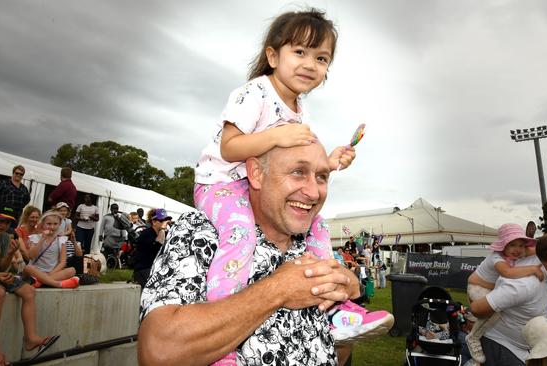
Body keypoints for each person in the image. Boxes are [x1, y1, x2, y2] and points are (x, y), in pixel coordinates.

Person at [192, 8, 390, 361]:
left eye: (321, 58)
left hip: (257, 188)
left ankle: (332, 309)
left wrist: (329, 162)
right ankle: (221, 336)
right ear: (273, 55)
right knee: (240, 236)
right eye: (299, 52)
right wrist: (277, 135)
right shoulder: (253, 93)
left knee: (319, 228)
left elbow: (297, 160)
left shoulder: (301, 111)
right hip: (221, 185)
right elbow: (230, 146)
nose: (310, 64)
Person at [139, 141, 365, 366]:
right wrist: (278, 290)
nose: (314, 192)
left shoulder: (313, 244)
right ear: (256, 173)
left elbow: (334, 353)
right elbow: (157, 353)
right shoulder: (201, 231)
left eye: (321, 177)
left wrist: (346, 305)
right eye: (298, 172)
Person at [470, 231, 547, 365]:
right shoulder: (525, 285)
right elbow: (476, 308)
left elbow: (538, 246)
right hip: (501, 347)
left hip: (525, 350)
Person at [0, 204, 59, 366]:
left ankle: (30, 337)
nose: (4, 226)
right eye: (0, 221)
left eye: (8, 223)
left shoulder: (3, 237)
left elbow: (2, 267)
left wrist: (9, 254)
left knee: (29, 291)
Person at [465, 223, 544, 364]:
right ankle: (473, 337)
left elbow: (537, 250)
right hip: (477, 287)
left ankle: (478, 332)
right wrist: (533, 269)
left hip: (488, 287)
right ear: (503, 246)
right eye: (512, 245)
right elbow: (507, 273)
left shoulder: (515, 253)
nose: (518, 250)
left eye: (521, 245)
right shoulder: (497, 257)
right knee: (495, 311)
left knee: (496, 311)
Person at [23, 210, 79, 289]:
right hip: (35, 271)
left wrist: (50, 273)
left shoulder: (61, 240)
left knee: (72, 270)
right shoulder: (35, 238)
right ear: (43, 224)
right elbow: (31, 256)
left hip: (52, 272)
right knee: (28, 268)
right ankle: (58, 284)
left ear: (59, 224)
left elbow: (62, 262)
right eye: (49, 224)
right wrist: (42, 239)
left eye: (55, 224)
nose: (52, 227)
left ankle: (41, 281)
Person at [132, 209, 171, 288]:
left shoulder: (166, 234)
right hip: (144, 269)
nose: (164, 223)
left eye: (166, 220)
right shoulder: (146, 233)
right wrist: (163, 229)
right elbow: (157, 246)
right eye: (161, 221)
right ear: (153, 222)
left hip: (156, 270)